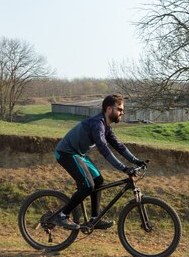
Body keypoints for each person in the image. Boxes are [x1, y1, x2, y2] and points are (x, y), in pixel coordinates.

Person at [52, 94, 146, 230]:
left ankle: (95, 219)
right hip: (66, 153)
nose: (122, 112)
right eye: (119, 109)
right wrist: (124, 168)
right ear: (109, 109)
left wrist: (136, 161)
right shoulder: (97, 124)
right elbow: (104, 150)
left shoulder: (106, 127)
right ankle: (61, 216)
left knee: (98, 181)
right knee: (88, 186)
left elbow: (119, 146)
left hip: (79, 154)